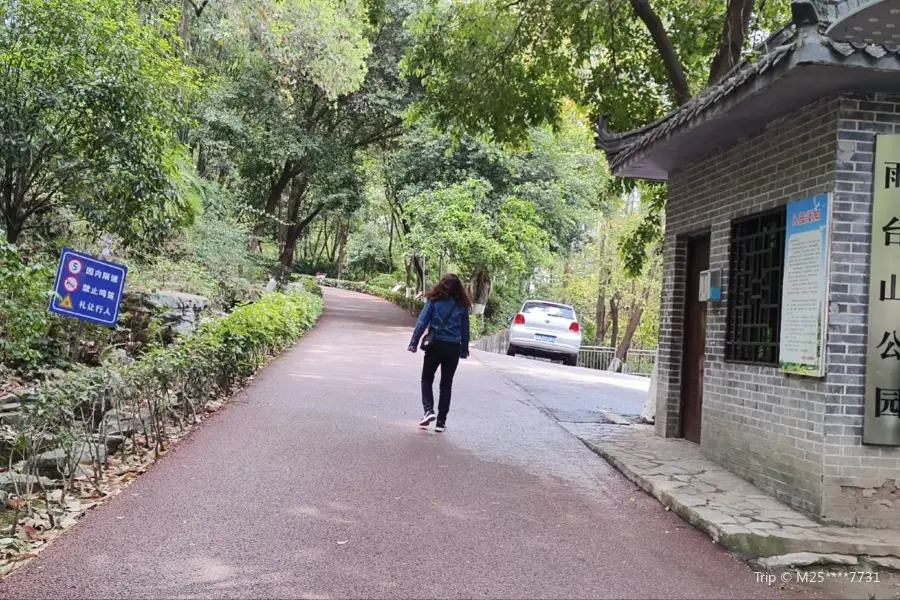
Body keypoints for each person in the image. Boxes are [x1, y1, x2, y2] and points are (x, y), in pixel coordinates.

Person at [408, 274, 472, 432]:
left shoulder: (434, 300)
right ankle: (441, 422)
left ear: (441, 285)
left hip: (435, 346)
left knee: (427, 379)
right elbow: (465, 330)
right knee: (446, 385)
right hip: (452, 348)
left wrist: (414, 343)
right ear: (459, 288)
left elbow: (422, 322)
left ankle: (428, 411)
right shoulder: (462, 305)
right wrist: (463, 350)